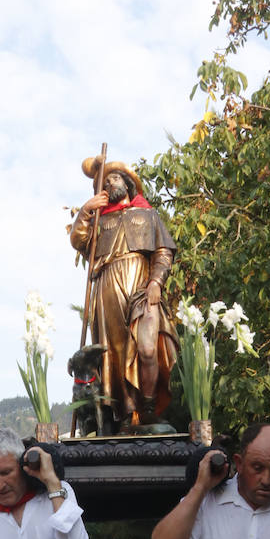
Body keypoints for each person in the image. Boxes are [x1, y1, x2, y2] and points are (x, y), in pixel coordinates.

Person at [70, 158, 179, 430]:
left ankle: (148, 408)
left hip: (142, 289)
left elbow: (163, 252)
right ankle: (124, 414)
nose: (110, 183)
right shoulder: (99, 220)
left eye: (115, 178)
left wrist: (156, 282)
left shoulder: (148, 215)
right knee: (114, 354)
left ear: (128, 183)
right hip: (108, 288)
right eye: (105, 182)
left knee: (147, 348)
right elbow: (78, 240)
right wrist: (86, 211)